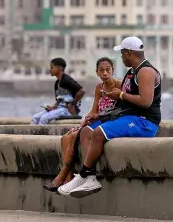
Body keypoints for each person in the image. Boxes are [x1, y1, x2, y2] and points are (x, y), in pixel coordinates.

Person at [59, 36, 162, 198]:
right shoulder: (131, 73)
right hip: (129, 117)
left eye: (122, 53)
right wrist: (99, 115)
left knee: (98, 133)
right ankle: (90, 177)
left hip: (144, 122)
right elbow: (125, 103)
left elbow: (145, 101)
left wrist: (120, 94)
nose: (121, 56)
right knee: (86, 131)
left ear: (129, 52)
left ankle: (84, 175)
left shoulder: (146, 72)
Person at [43, 57, 120, 192]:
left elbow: (119, 110)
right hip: (97, 120)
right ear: (97, 72)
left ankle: (62, 176)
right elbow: (94, 109)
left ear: (113, 70)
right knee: (66, 137)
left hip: (108, 122)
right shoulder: (99, 88)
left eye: (108, 70)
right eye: (101, 70)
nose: (105, 73)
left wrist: (94, 118)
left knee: (74, 137)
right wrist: (83, 122)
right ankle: (68, 176)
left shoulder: (119, 86)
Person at [31, 57, 85, 125]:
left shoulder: (66, 80)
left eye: (52, 67)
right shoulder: (57, 83)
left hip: (67, 110)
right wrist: (52, 107)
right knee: (35, 117)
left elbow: (81, 91)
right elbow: (60, 99)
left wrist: (72, 104)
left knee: (44, 118)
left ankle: (42, 135)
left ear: (59, 68)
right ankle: (34, 135)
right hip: (59, 109)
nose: (50, 70)